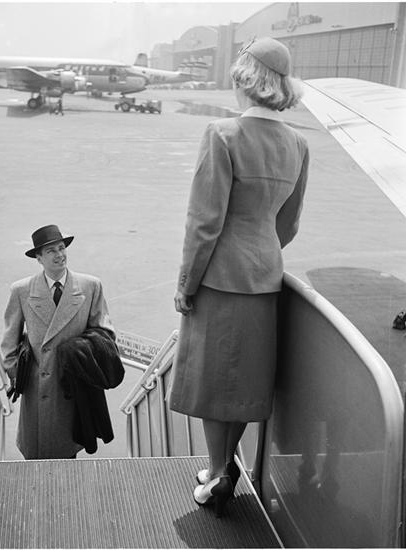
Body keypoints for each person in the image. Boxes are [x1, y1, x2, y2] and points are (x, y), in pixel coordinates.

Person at [168, 37, 309, 518]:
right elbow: (288, 225)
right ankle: (225, 466)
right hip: (265, 279)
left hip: (219, 280)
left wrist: (186, 284)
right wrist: (261, 252)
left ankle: (216, 473)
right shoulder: (298, 144)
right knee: (243, 384)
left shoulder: (222, 134)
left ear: (246, 80)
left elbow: (204, 223)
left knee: (214, 385)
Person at [0, 224, 114, 459]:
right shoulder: (21, 290)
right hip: (37, 387)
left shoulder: (90, 286)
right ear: (39, 258)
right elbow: (9, 343)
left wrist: (79, 353)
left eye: (62, 248)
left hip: (73, 386)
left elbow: (105, 334)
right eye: (51, 251)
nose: (59, 255)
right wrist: (20, 376)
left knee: (66, 452)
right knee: (35, 453)